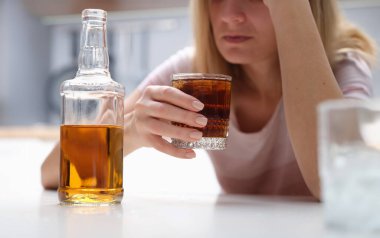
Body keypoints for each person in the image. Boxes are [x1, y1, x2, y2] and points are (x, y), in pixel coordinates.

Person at [41, 0, 376, 199]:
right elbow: (52, 173)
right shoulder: (195, 72)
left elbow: (339, 188)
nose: (230, 15)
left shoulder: (343, 68)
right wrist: (125, 135)